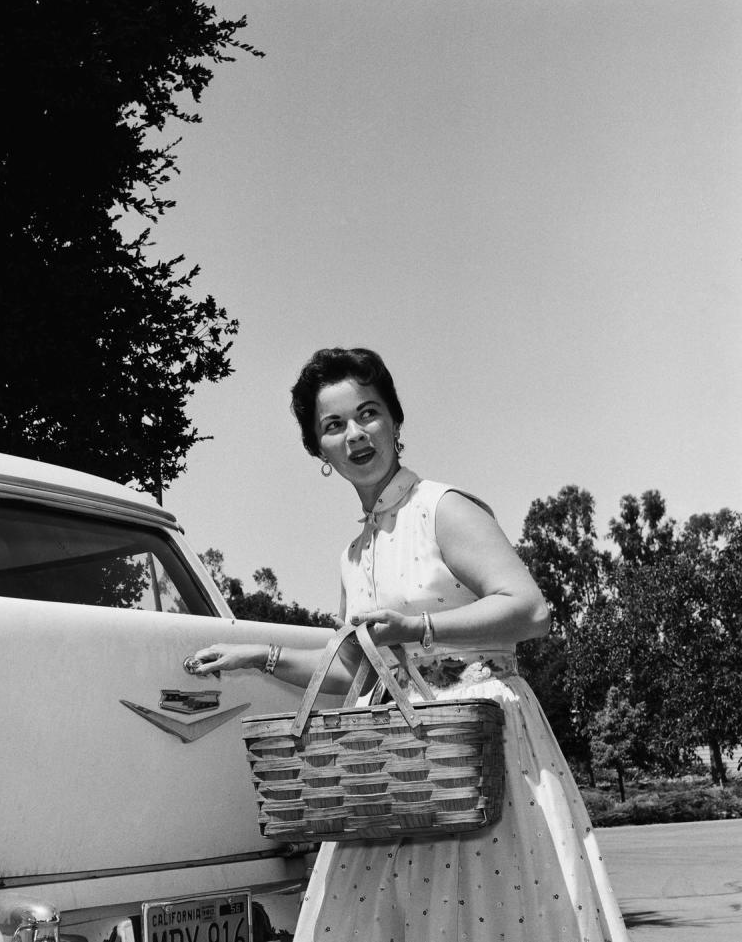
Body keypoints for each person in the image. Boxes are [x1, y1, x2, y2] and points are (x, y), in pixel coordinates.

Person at [193, 347, 629, 942]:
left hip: (479, 754)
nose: (355, 435)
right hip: (398, 768)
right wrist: (258, 656)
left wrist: (419, 628)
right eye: (333, 425)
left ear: (397, 421)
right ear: (317, 450)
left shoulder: (443, 509)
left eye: (368, 413)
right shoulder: (353, 554)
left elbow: (529, 609)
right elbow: (352, 672)